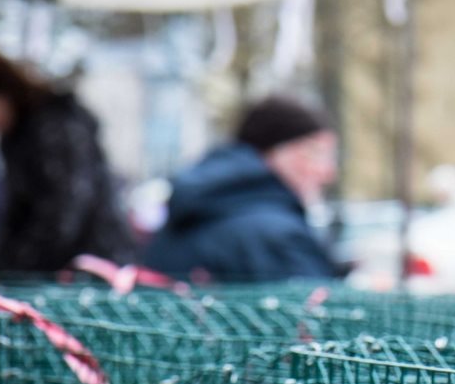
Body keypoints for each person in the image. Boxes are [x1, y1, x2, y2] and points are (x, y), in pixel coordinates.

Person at [0, 48, 133, 273]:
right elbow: (18, 211)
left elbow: (64, 210)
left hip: (90, 266)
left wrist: (15, 267)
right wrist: (0, 266)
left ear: (0, 93)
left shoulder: (56, 125)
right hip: (52, 269)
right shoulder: (17, 134)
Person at [144, 95, 339, 282]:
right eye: (314, 153)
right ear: (275, 152)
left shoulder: (209, 207)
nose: (327, 172)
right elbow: (322, 308)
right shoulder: (272, 234)